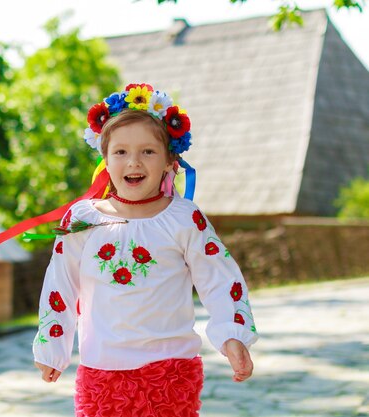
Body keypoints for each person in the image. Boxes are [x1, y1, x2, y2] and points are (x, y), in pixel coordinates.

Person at [32, 83, 258, 417]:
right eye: (120, 152)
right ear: (105, 160)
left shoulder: (184, 218)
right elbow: (60, 285)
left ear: (170, 159)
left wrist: (233, 334)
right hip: (102, 372)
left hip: (172, 372)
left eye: (148, 152)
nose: (133, 162)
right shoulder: (82, 220)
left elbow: (220, 279)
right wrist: (53, 347)